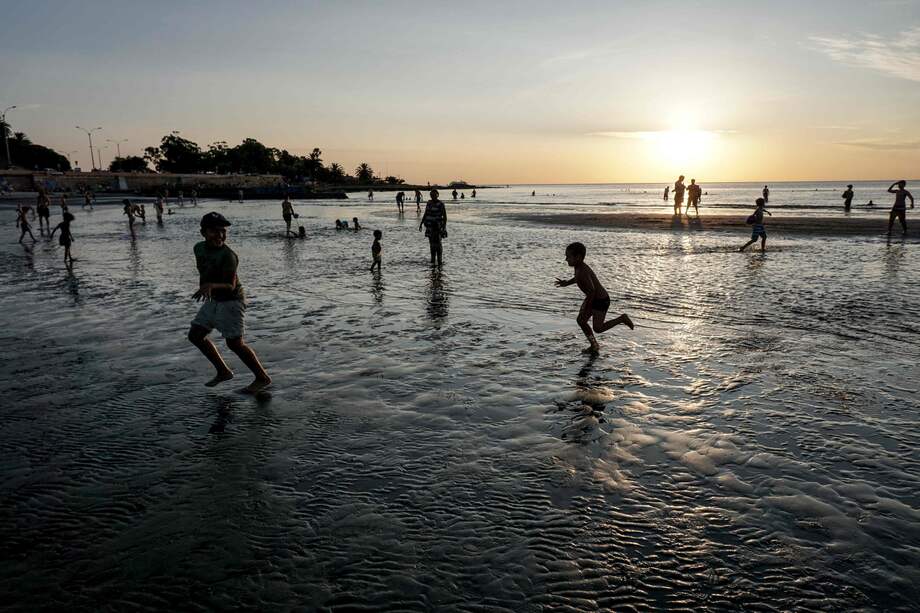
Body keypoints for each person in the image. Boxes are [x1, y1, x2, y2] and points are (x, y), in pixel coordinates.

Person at [188, 212, 272, 394]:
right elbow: (204, 269)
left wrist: (210, 285)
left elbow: (230, 285)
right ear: (203, 232)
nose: (220, 235)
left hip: (232, 301)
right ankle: (223, 371)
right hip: (214, 298)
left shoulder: (229, 256)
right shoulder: (198, 248)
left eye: (223, 231)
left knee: (234, 343)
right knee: (195, 335)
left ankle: (262, 378)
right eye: (214, 231)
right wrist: (205, 287)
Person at [554, 242, 634, 353]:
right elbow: (577, 278)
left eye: (568, 256)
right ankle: (594, 345)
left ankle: (622, 318)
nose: (566, 259)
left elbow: (592, 290)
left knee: (598, 328)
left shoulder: (583, 270)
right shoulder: (578, 267)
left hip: (601, 300)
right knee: (581, 320)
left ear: (578, 257)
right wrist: (566, 283)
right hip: (592, 298)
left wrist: (588, 305)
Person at [420, 189, 447, 266]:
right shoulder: (429, 203)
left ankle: (439, 260)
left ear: (438, 195)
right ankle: (432, 260)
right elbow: (426, 213)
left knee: (438, 244)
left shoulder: (441, 204)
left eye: (434, 195)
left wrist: (444, 228)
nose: (433, 196)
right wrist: (421, 223)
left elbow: (445, 216)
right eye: (431, 195)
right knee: (431, 244)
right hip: (429, 226)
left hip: (438, 227)